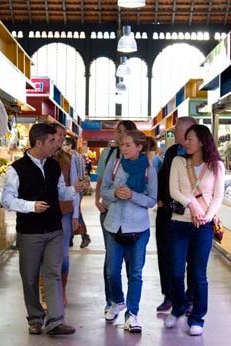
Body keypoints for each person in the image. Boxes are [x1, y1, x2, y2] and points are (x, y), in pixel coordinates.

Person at [1, 123, 84, 336]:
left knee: (53, 274)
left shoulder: (54, 166)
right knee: (29, 277)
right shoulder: (16, 169)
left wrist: (73, 190)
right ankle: (35, 318)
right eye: (51, 141)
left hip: (55, 229)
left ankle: (56, 320)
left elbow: (60, 193)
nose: (56, 145)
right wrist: (31, 206)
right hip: (30, 232)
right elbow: (8, 201)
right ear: (39, 142)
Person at [163, 124, 225, 336]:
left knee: (199, 275)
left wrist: (206, 217)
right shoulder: (179, 162)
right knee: (176, 272)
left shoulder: (216, 165)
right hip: (179, 223)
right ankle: (179, 307)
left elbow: (218, 196)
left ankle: (197, 317)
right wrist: (192, 205)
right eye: (186, 138)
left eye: (190, 139)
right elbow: (174, 191)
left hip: (203, 227)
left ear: (202, 141)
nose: (186, 142)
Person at [100, 129, 157, 333]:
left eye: (127, 145)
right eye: (122, 144)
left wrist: (133, 195)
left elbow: (151, 200)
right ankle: (117, 300)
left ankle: (132, 314)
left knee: (135, 273)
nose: (123, 148)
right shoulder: (114, 165)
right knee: (111, 272)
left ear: (139, 147)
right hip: (114, 225)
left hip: (139, 229)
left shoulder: (149, 170)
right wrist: (114, 193)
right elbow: (103, 191)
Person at [95, 120, 137, 315]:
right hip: (110, 212)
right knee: (111, 260)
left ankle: (130, 302)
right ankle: (111, 299)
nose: (120, 135)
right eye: (118, 131)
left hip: (132, 216)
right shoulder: (108, 154)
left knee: (131, 260)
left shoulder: (140, 157)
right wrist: (97, 199)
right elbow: (102, 179)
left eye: (125, 132)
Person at [155, 116, 197, 312]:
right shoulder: (172, 151)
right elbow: (163, 176)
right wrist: (159, 199)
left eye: (178, 129)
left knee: (190, 258)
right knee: (165, 255)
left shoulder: (199, 153)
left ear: (189, 131)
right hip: (166, 212)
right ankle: (169, 295)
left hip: (190, 214)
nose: (174, 132)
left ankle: (190, 298)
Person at [51, 123, 81, 306]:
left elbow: (75, 187)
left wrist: (76, 214)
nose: (61, 138)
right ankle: (47, 292)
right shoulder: (40, 158)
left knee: (63, 254)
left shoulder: (69, 159)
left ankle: (61, 291)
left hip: (65, 211)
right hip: (44, 211)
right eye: (57, 134)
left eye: (63, 135)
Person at [64, 137, 91, 248]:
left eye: (64, 144)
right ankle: (70, 238)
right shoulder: (69, 156)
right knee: (72, 212)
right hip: (71, 189)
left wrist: (76, 189)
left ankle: (85, 236)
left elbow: (80, 176)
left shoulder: (74, 156)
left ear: (70, 146)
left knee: (75, 212)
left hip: (75, 189)